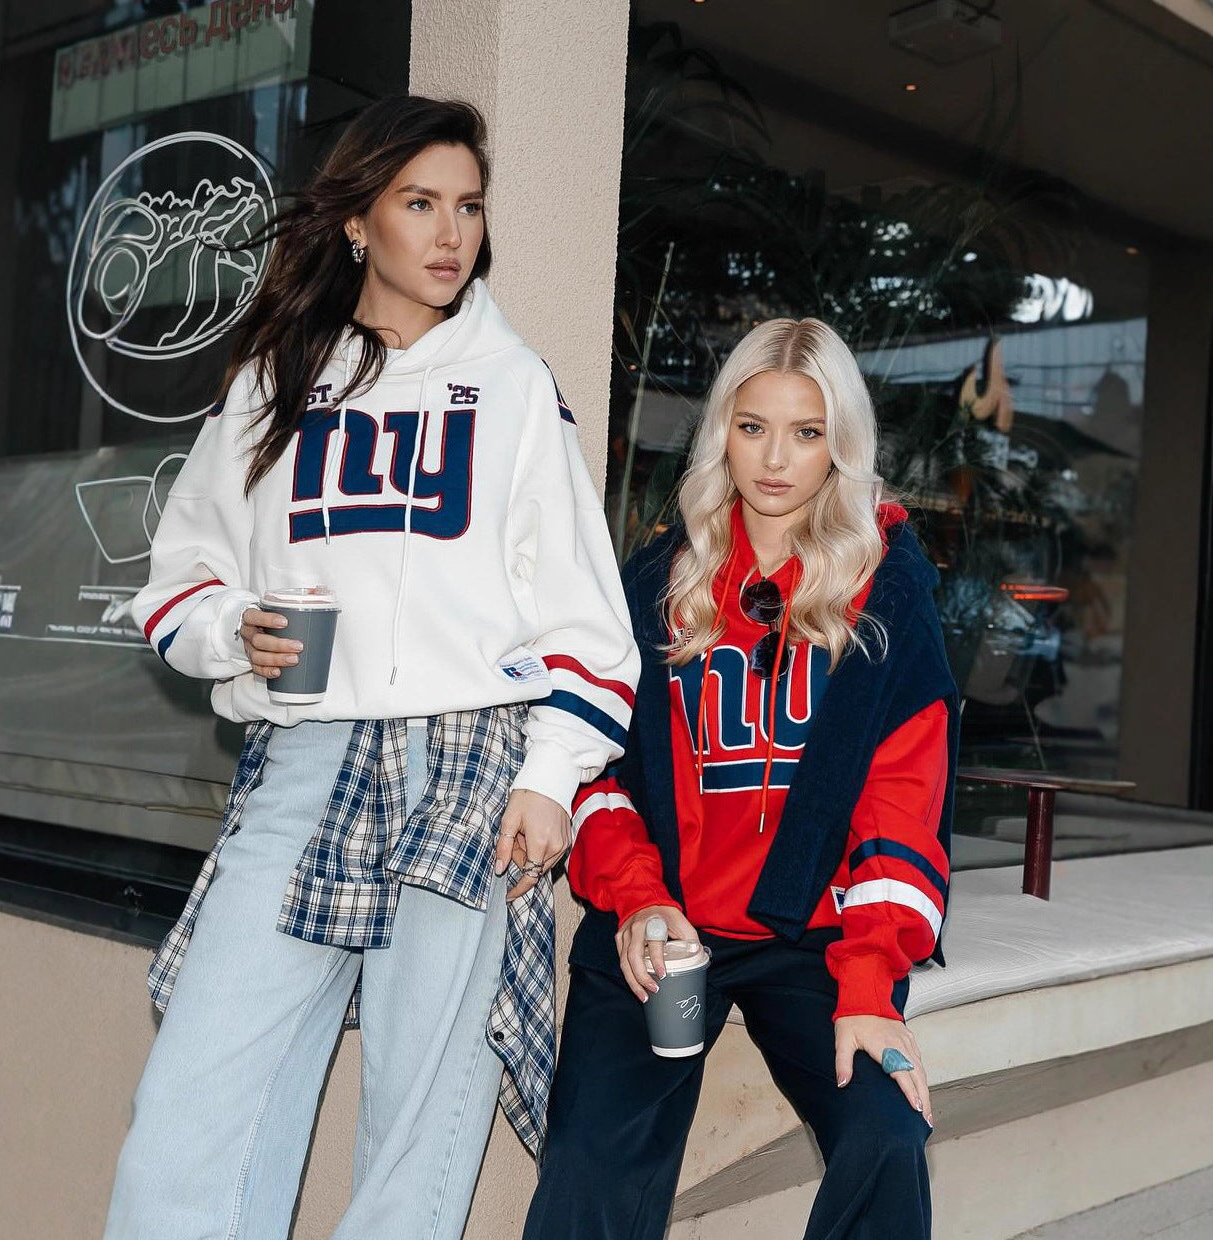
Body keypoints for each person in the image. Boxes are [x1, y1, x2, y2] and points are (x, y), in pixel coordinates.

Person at [104, 96, 638, 1240]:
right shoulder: (275, 380)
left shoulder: (511, 386)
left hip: (471, 764)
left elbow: (588, 621)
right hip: (306, 754)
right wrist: (231, 627)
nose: (451, 233)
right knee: (194, 1108)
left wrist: (550, 775)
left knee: (418, 1138)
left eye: (468, 207)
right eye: (419, 203)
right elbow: (178, 578)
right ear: (356, 221)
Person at [523, 318, 959, 1240]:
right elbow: (595, 768)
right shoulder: (657, 582)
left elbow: (903, 806)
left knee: (887, 1137)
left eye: (807, 433)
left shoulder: (884, 594)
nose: (776, 459)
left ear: (840, 445)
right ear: (723, 428)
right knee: (590, 1164)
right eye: (753, 426)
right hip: (666, 930)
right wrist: (638, 898)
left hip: (813, 939)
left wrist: (870, 982)